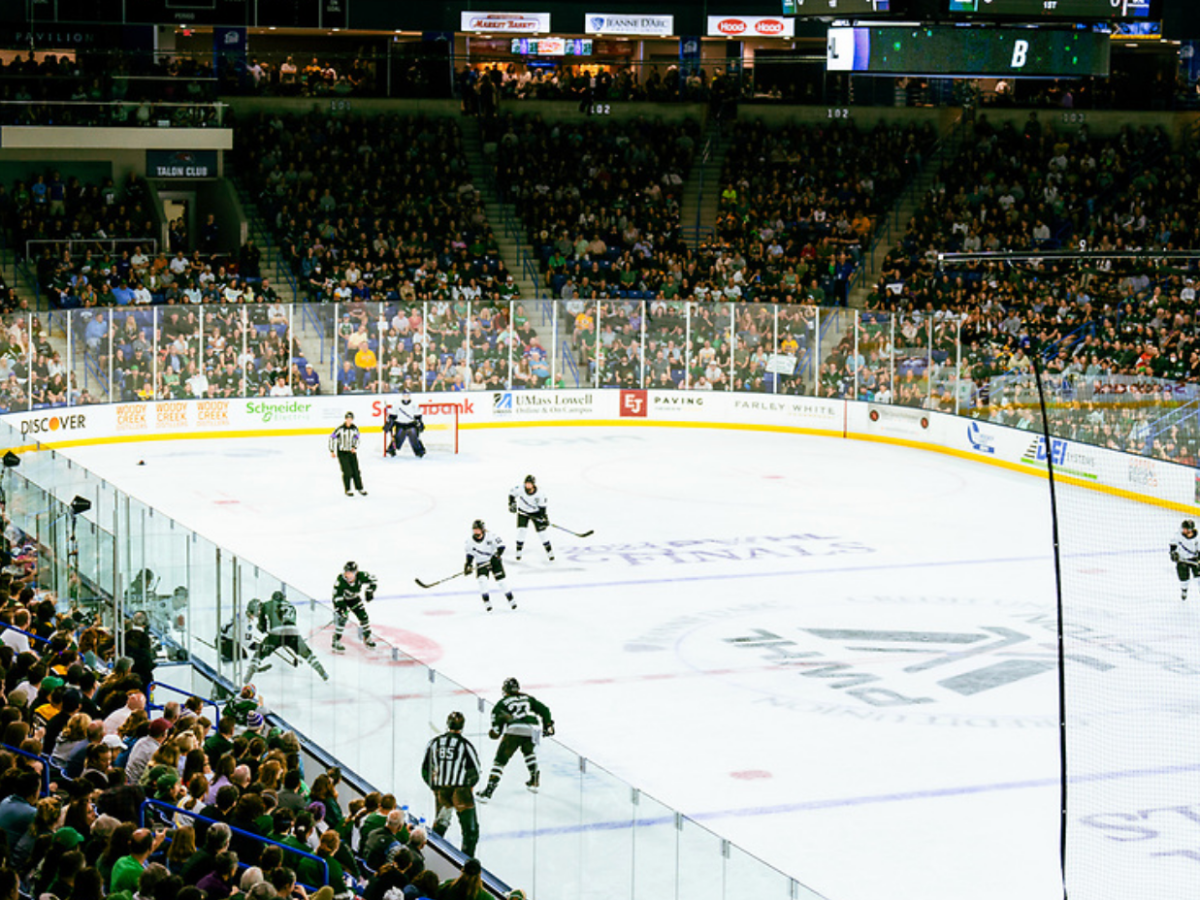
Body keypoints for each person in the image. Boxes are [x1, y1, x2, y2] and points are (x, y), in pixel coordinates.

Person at [476, 677, 554, 802]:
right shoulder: (527, 698)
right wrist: (548, 725)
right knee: (529, 752)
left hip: (514, 729)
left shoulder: (502, 703)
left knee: (500, 760)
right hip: (532, 729)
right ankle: (534, 780)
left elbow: (496, 728)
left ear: (505, 690)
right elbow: (544, 710)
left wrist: (494, 733)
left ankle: (488, 792)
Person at [421, 711, 482, 857]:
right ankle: (466, 862)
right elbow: (475, 770)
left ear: (447, 724)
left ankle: (431, 854)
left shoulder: (434, 743)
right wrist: (469, 786)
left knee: (441, 824)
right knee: (470, 831)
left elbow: (425, 768)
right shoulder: (465, 745)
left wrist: (434, 787)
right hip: (461, 792)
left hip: (442, 789)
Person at [244, 592, 329, 683]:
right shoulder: (291, 606)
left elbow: (262, 627)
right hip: (293, 633)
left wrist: (262, 628)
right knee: (308, 654)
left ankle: (250, 672)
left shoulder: (268, 604)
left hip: (276, 634)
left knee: (261, 652)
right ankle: (322, 673)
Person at [464, 519, 515, 612]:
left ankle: (511, 600)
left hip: (494, 561)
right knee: (482, 581)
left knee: (501, 582)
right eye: (474, 529)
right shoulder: (469, 541)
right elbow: (470, 554)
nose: (476, 532)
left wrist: (497, 556)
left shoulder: (491, 536)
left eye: (477, 529)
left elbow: (501, 546)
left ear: (482, 530)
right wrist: (468, 564)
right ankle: (487, 603)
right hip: (481, 563)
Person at [331, 560, 377, 653]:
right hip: (342, 600)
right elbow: (336, 596)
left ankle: (367, 637)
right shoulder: (340, 580)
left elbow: (373, 580)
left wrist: (370, 590)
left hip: (354, 599)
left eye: (351, 574)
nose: (348, 577)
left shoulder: (361, 576)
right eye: (346, 574)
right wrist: (341, 608)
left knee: (363, 616)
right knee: (342, 619)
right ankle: (336, 640)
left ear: (356, 573)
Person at [508, 474, 554, 562]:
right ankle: (519, 551)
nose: (527, 485)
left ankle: (549, 552)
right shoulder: (520, 489)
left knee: (542, 533)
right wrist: (511, 503)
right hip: (523, 513)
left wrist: (544, 518)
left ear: (533, 484)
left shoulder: (540, 494)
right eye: (526, 483)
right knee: (521, 531)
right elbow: (511, 494)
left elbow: (542, 508)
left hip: (536, 513)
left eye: (529, 484)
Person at [329, 411, 366, 497]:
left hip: (351, 452)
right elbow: (332, 437)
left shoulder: (354, 429)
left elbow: (357, 438)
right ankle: (348, 489)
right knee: (347, 471)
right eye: (347, 418)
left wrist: (354, 447)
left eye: (350, 419)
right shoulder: (340, 429)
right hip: (342, 453)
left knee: (356, 471)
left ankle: (359, 487)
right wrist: (332, 450)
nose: (349, 420)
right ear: (345, 419)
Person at [385, 390, 426, 458]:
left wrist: (420, 423)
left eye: (407, 395)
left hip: (411, 424)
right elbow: (393, 415)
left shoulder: (414, 404)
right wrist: (389, 424)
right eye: (404, 395)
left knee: (414, 437)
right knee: (398, 437)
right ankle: (392, 449)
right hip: (400, 424)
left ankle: (419, 450)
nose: (406, 397)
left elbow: (417, 415)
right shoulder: (397, 403)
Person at [1170, 518, 1200, 602]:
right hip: (1182, 560)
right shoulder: (1178, 535)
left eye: (1185, 529)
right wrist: (1173, 553)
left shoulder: (1198, 538)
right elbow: (1173, 545)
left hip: (1194, 560)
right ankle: (1184, 590)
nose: (1183, 530)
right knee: (1183, 578)